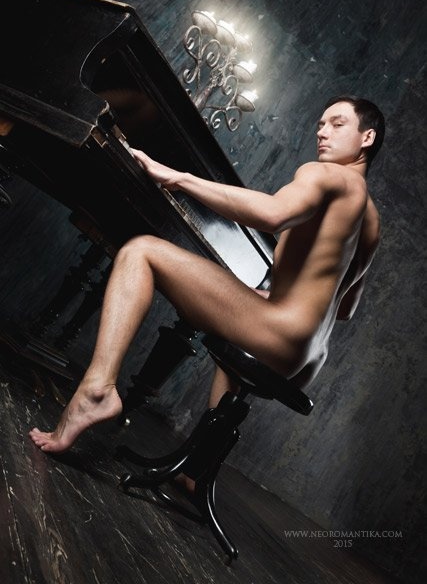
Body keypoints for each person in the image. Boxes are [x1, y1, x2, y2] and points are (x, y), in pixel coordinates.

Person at [29, 95, 384, 453]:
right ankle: (198, 466)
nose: (322, 132)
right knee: (238, 319)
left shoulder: (327, 175)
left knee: (140, 251)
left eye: (337, 124)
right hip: (306, 359)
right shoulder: (370, 219)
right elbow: (345, 308)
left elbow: (274, 214)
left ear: (366, 137)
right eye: (320, 124)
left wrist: (180, 178)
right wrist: (268, 298)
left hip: (279, 336)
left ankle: (97, 391)